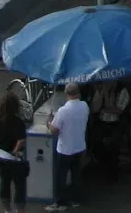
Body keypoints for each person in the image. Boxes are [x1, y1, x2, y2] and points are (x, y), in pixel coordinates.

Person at [49, 81, 89, 210]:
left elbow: (54, 130)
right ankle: (76, 200)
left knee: (61, 176)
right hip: (79, 146)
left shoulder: (63, 111)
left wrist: (48, 122)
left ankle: (60, 202)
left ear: (66, 94)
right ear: (78, 93)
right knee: (76, 175)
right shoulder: (85, 106)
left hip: (65, 148)